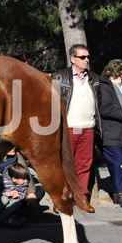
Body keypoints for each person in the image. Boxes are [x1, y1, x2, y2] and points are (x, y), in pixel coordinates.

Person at [51, 44, 101, 200]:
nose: (86, 60)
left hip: (88, 128)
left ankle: (81, 198)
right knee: (65, 165)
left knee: (85, 164)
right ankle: (63, 197)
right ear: (73, 59)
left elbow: (98, 102)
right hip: (68, 128)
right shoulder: (59, 77)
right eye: (82, 57)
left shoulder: (94, 78)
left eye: (88, 57)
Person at [98, 59, 122, 208]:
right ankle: (118, 193)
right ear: (113, 74)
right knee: (117, 162)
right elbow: (105, 109)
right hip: (110, 133)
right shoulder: (105, 87)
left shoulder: (120, 86)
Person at [0, 157, 34, 229]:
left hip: (14, 199)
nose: (26, 181)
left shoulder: (24, 183)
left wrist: (20, 195)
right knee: (3, 199)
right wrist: (5, 193)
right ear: (14, 179)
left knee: (16, 203)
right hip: (3, 197)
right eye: (23, 179)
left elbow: (25, 193)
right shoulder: (1, 179)